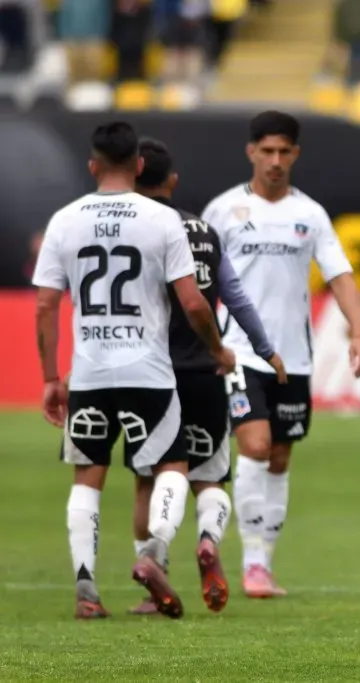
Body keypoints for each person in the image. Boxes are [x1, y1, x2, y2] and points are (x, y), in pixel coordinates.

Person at [32, 121, 235, 619]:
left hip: (90, 372)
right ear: (139, 165)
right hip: (148, 370)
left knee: (88, 477)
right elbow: (194, 304)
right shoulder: (161, 220)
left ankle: (86, 588)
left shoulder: (65, 220)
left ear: (92, 165)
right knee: (172, 466)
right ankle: (152, 554)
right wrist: (216, 349)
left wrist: (50, 378)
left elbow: (44, 306)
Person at [201, 110, 360, 599]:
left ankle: (263, 564)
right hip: (239, 354)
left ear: (295, 154)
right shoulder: (222, 211)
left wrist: (359, 333)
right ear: (251, 152)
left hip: (294, 359)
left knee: (279, 456)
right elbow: (196, 280)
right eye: (267, 151)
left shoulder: (311, 215)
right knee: (254, 446)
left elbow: (339, 275)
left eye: (284, 152)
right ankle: (251, 561)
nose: (275, 161)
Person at [127, 138, 287, 616]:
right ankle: (208, 539)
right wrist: (262, 349)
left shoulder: (133, 230)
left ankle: (154, 559)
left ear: (133, 177)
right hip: (206, 370)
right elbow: (234, 297)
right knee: (212, 475)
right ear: (172, 181)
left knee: (150, 479)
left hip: (150, 373)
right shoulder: (202, 229)